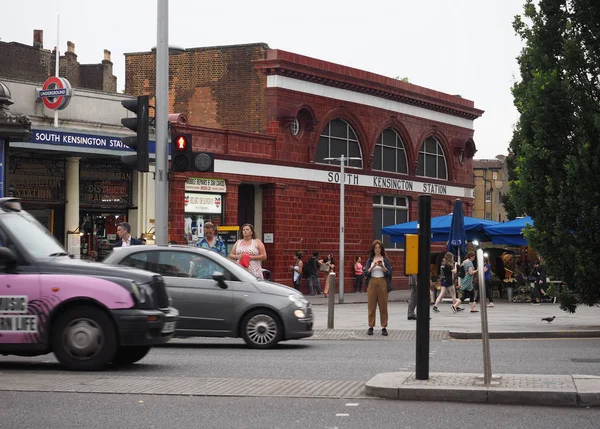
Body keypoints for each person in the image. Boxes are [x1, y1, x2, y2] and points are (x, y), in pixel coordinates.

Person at [364, 240, 393, 336]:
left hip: (382, 282)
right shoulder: (370, 260)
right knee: (371, 306)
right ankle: (371, 326)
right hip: (372, 282)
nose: (377, 250)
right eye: (375, 248)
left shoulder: (385, 259)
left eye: (379, 248)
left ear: (381, 249)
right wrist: (372, 267)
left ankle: (384, 327)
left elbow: (389, 273)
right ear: (373, 249)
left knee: (383, 305)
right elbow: (366, 273)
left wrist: (382, 266)